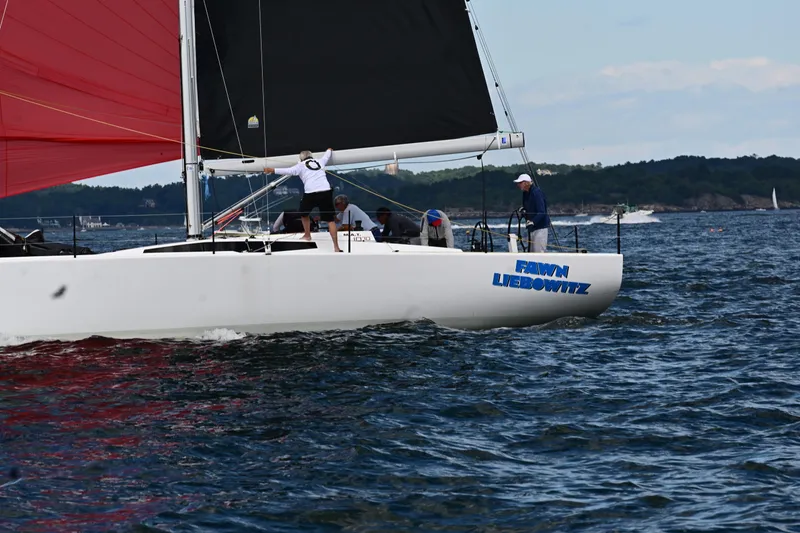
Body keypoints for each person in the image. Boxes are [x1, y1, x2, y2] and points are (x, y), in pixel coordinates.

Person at [265, 148, 341, 252]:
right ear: (311, 156)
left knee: (304, 214)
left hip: (311, 192)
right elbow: (326, 156)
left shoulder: (300, 165)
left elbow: (289, 171)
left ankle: (307, 235)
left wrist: (272, 170)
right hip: (325, 191)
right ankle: (336, 247)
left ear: (301, 159)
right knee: (330, 220)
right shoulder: (319, 161)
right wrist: (329, 150)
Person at [513, 173, 551, 252]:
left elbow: (542, 212)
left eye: (520, 183)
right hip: (531, 228)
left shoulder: (536, 193)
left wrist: (533, 222)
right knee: (531, 251)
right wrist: (523, 210)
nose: (518, 185)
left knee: (539, 251)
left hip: (540, 227)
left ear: (526, 183)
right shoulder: (525, 193)